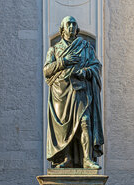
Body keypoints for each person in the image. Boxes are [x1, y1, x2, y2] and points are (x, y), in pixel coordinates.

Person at [43, 16, 104, 169]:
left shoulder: (86, 47)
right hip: (61, 94)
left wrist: (85, 73)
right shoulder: (54, 50)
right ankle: (66, 159)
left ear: (77, 29)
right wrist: (64, 61)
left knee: (85, 122)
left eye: (73, 24)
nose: (71, 27)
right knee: (64, 128)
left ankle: (87, 159)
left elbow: (96, 66)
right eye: (68, 24)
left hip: (80, 91)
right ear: (62, 29)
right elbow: (46, 71)